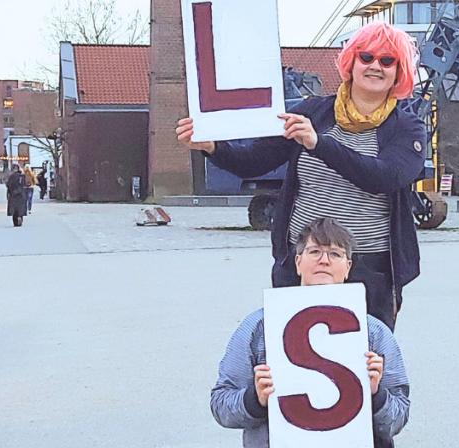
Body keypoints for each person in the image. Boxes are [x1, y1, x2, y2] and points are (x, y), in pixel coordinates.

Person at [177, 22, 427, 330]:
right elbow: (254, 160)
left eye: (387, 61)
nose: (375, 66)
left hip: (369, 267)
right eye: (366, 57)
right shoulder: (312, 113)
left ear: (399, 72)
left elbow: (383, 177)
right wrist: (213, 147)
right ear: (351, 62)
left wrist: (319, 144)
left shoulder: (407, 128)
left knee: (366, 365)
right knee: (292, 360)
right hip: (301, 263)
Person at [211, 218, 409, 448]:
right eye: (314, 251)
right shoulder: (257, 326)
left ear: (348, 267)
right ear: (298, 262)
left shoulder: (374, 332)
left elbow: (399, 417)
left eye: (335, 254)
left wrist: (376, 395)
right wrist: (254, 399)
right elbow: (221, 406)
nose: (324, 260)